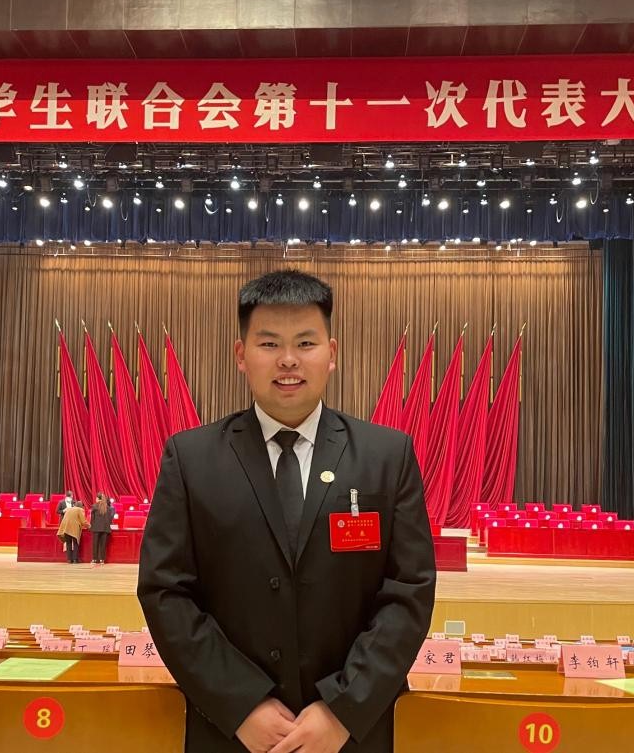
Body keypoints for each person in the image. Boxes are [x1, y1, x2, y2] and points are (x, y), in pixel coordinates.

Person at [138, 270, 436, 753]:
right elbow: (165, 593)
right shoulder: (191, 459)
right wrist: (241, 704)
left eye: (306, 343)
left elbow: (409, 594)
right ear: (241, 355)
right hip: (231, 734)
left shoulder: (387, 456)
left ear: (332, 353)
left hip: (352, 735)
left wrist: (342, 709)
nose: (289, 360)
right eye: (269, 343)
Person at [89, 494, 112, 566]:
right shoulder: (108, 507)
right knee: (103, 544)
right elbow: (110, 519)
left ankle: (94, 559)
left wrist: (91, 527)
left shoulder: (94, 506)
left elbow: (92, 519)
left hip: (96, 528)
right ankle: (102, 559)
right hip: (105, 528)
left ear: (98, 498)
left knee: (95, 544)